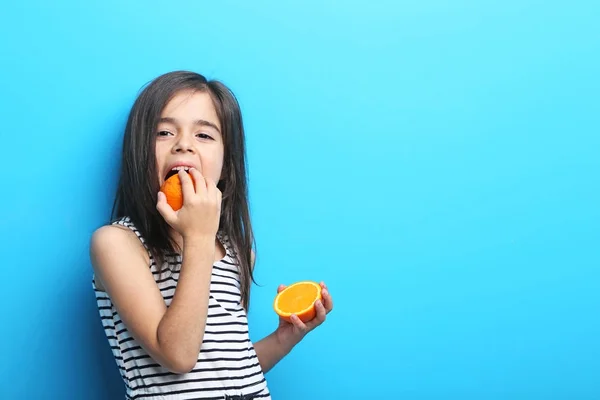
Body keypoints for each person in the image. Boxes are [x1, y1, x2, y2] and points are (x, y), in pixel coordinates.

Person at [89, 71, 334, 400]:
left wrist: (284, 338)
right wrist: (200, 240)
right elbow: (178, 355)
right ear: (139, 154)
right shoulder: (117, 243)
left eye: (204, 135)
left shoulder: (235, 251)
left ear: (226, 166)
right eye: (163, 132)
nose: (184, 144)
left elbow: (229, 370)